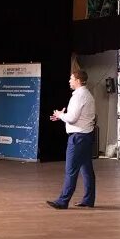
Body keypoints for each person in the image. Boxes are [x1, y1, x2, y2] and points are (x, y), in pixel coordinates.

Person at [46, 70, 97, 210]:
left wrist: (60, 115)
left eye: (71, 78)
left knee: (71, 170)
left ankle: (63, 201)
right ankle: (88, 199)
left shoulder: (79, 96)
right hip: (85, 137)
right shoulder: (87, 94)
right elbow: (78, 116)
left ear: (78, 80)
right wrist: (63, 116)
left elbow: (73, 118)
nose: (69, 81)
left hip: (78, 138)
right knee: (86, 170)